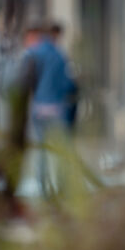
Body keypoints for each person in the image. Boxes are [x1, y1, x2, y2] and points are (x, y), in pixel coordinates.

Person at [22, 21, 76, 195]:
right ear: (56, 36)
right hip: (57, 108)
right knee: (60, 150)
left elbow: (26, 78)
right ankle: (60, 186)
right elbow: (67, 84)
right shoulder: (60, 55)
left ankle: (42, 186)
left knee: (41, 150)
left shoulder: (34, 53)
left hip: (38, 107)